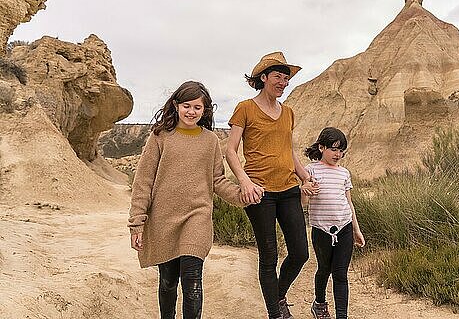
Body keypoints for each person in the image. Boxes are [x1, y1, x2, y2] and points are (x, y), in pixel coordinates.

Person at [128, 80, 251, 319]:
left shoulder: (210, 140)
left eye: (198, 107)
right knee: (168, 281)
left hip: (197, 217)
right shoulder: (160, 137)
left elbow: (217, 180)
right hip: (163, 220)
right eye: (187, 105)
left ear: (205, 111)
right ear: (175, 105)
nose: (191, 111)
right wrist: (137, 223)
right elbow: (143, 182)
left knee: (193, 281)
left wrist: (241, 195)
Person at [226, 51, 313, 319]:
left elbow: (289, 149)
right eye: (278, 76)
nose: (283, 82)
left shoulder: (288, 112)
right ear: (263, 77)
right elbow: (231, 150)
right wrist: (245, 182)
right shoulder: (245, 108)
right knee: (268, 255)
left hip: (288, 189)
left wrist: (304, 176)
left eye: (286, 78)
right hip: (259, 192)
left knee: (300, 252)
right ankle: (275, 313)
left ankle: (278, 296)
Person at [303, 127, 365, 319]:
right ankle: (319, 304)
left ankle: (342, 315)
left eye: (341, 150)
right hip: (321, 230)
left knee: (340, 274)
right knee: (324, 269)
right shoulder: (310, 169)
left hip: (345, 227)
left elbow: (349, 202)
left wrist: (356, 229)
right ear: (321, 147)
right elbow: (303, 203)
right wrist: (305, 191)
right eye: (334, 149)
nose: (338, 154)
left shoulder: (344, 173)